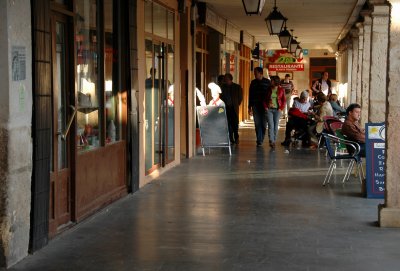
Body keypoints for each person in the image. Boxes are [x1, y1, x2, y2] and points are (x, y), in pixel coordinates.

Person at [248, 67, 270, 146]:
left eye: (256, 73)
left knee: (264, 123)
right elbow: (250, 94)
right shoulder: (253, 82)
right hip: (255, 105)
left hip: (265, 106)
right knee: (257, 123)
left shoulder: (267, 82)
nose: (254, 74)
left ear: (261, 73)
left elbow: (270, 94)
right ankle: (259, 139)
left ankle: (261, 138)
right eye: (254, 73)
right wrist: (249, 107)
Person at [221, 73, 243, 144]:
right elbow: (221, 97)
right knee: (228, 123)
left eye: (226, 79)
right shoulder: (222, 87)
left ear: (230, 79)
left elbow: (240, 98)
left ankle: (236, 136)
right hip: (226, 108)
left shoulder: (237, 87)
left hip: (234, 108)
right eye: (225, 79)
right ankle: (231, 138)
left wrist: (236, 104)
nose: (225, 81)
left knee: (235, 123)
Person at [265, 76, 286, 148]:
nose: (271, 82)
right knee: (271, 125)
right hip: (269, 109)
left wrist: (281, 108)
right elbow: (264, 99)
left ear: (275, 82)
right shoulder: (268, 89)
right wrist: (266, 107)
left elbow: (284, 100)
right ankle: (271, 140)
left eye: (272, 81)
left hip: (277, 110)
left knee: (276, 125)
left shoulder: (281, 90)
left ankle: (274, 140)